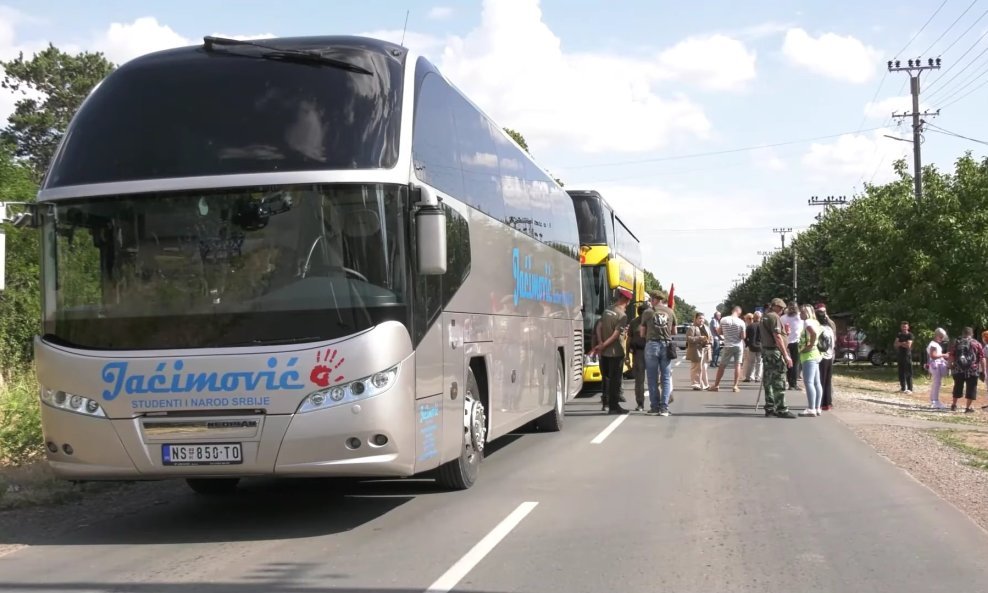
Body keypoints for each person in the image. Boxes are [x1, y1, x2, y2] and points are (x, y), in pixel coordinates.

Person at [590, 287, 633, 415]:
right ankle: (614, 407)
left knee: (606, 378)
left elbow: (599, 326)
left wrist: (600, 343)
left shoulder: (607, 310)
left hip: (604, 353)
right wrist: (604, 345)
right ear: (627, 300)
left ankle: (605, 403)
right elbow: (615, 335)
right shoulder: (622, 315)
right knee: (615, 380)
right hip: (615, 352)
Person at [640, 290, 677, 416]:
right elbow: (674, 331)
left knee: (652, 377)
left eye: (651, 299)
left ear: (654, 299)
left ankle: (654, 407)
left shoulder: (648, 312)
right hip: (666, 345)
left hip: (652, 345)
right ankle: (664, 408)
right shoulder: (670, 312)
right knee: (666, 377)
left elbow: (642, 333)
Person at [760, 298, 796, 418]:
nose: (781, 311)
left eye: (782, 309)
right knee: (779, 380)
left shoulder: (764, 316)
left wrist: (786, 333)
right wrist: (786, 355)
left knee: (768, 380)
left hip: (767, 351)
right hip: (775, 352)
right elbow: (777, 337)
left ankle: (770, 407)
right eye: (780, 308)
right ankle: (781, 409)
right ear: (774, 306)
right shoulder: (774, 317)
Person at [708, 306, 745, 392]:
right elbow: (743, 336)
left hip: (728, 345)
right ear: (739, 313)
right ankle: (735, 386)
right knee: (737, 365)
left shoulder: (723, 320)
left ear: (732, 311)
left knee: (722, 366)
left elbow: (720, 332)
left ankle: (716, 385)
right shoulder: (741, 322)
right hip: (738, 345)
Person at [948, 327, 984, 413]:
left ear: (963, 333)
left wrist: (950, 365)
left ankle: (954, 405)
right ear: (972, 334)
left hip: (958, 369)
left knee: (957, 387)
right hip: (972, 370)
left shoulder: (957, 343)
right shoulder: (977, 343)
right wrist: (983, 370)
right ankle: (967, 408)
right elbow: (982, 357)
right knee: (971, 388)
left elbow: (951, 355)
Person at [798, 304, 823, 416]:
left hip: (809, 355)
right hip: (816, 354)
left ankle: (811, 408)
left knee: (808, 382)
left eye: (802, 312)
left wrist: (809, 345)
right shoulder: (816, 322)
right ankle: (817, 407)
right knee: (817, 382)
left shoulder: (807, 322)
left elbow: (813, 333)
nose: (800, 314)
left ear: (807, 313)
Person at [626, 303, 649, 411]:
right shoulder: (634, 322)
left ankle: (658, 402)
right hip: (638, 353)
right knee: (639, 380)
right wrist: (627, 355)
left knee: (655, 379)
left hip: (650, 352)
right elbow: (629, 339)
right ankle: (640, 403)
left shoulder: (652, 322)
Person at [814, 305, 836, 410]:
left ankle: (820, 402)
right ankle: (828, 403)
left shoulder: (818, 328)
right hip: (829, 355)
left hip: (820, 356)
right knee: (827, 380)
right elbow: (833, 343)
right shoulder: (830, 328)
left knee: (820, 380)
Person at [686, 312, 712, 390]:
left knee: (704, 367)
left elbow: (711, 337)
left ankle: (705, 384)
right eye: (700, 318)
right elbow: (689, 339)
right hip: (696, 350)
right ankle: (696, 384)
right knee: (696, 367)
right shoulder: (692, 328)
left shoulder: (706, 327)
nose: (701, 320)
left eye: (703, 318)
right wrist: (699, 338)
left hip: (706, 350)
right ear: (696, 319)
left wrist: (710, 343)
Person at [927, 328, 949, 410]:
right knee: (937, 383)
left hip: (934, 365)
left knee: (936, 383)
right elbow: (933, 356)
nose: (942, 339)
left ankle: (933, 400)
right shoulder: (933, 345)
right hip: (935, 365)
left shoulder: (934, 344)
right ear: (936, 336)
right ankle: (935, 401)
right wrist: (944, 355)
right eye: (941, 337)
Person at [894, 321, 914, 394]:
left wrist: (900, 343)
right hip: (900, 355)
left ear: (908, 327)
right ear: (901, 327)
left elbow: (908, 345)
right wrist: (903, 343)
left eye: (905, 327)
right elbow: (895, 344)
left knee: (908, 372)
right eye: (903, 326)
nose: (904, 328)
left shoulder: (910, 335)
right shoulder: (899, 334)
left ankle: (910, 388)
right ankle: (903, 388)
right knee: (901, 372)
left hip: (907, 355)